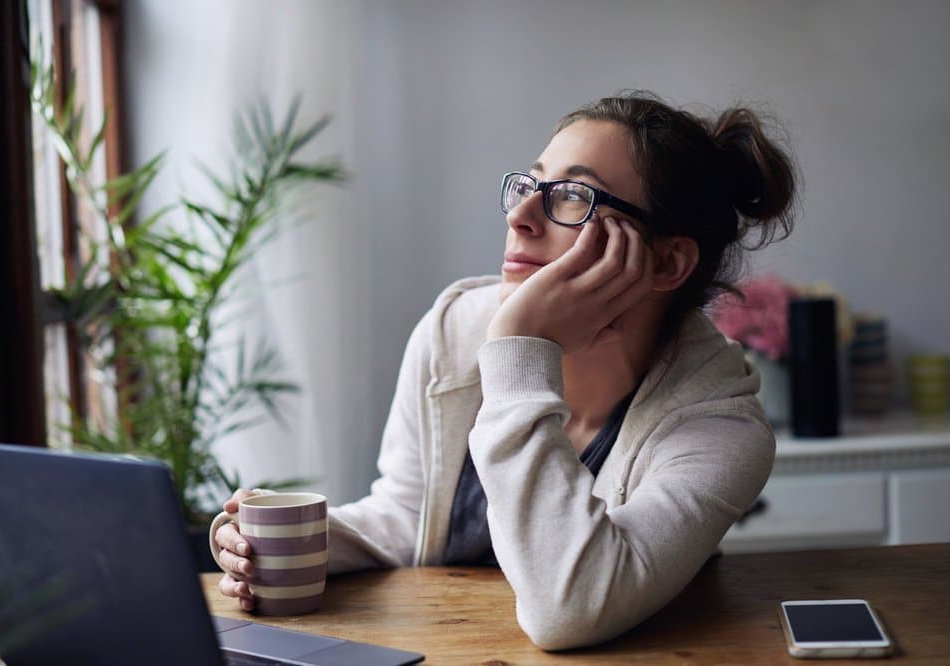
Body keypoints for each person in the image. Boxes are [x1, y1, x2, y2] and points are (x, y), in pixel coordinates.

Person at [212, 90, 797, 650]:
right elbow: (409, 517)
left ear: (667, 262)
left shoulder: (719, 430)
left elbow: (569, 607)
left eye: (571, 196)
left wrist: (522, 345)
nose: (519, 216)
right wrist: (280, 545)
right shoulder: (455, 332)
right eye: (528, 185)